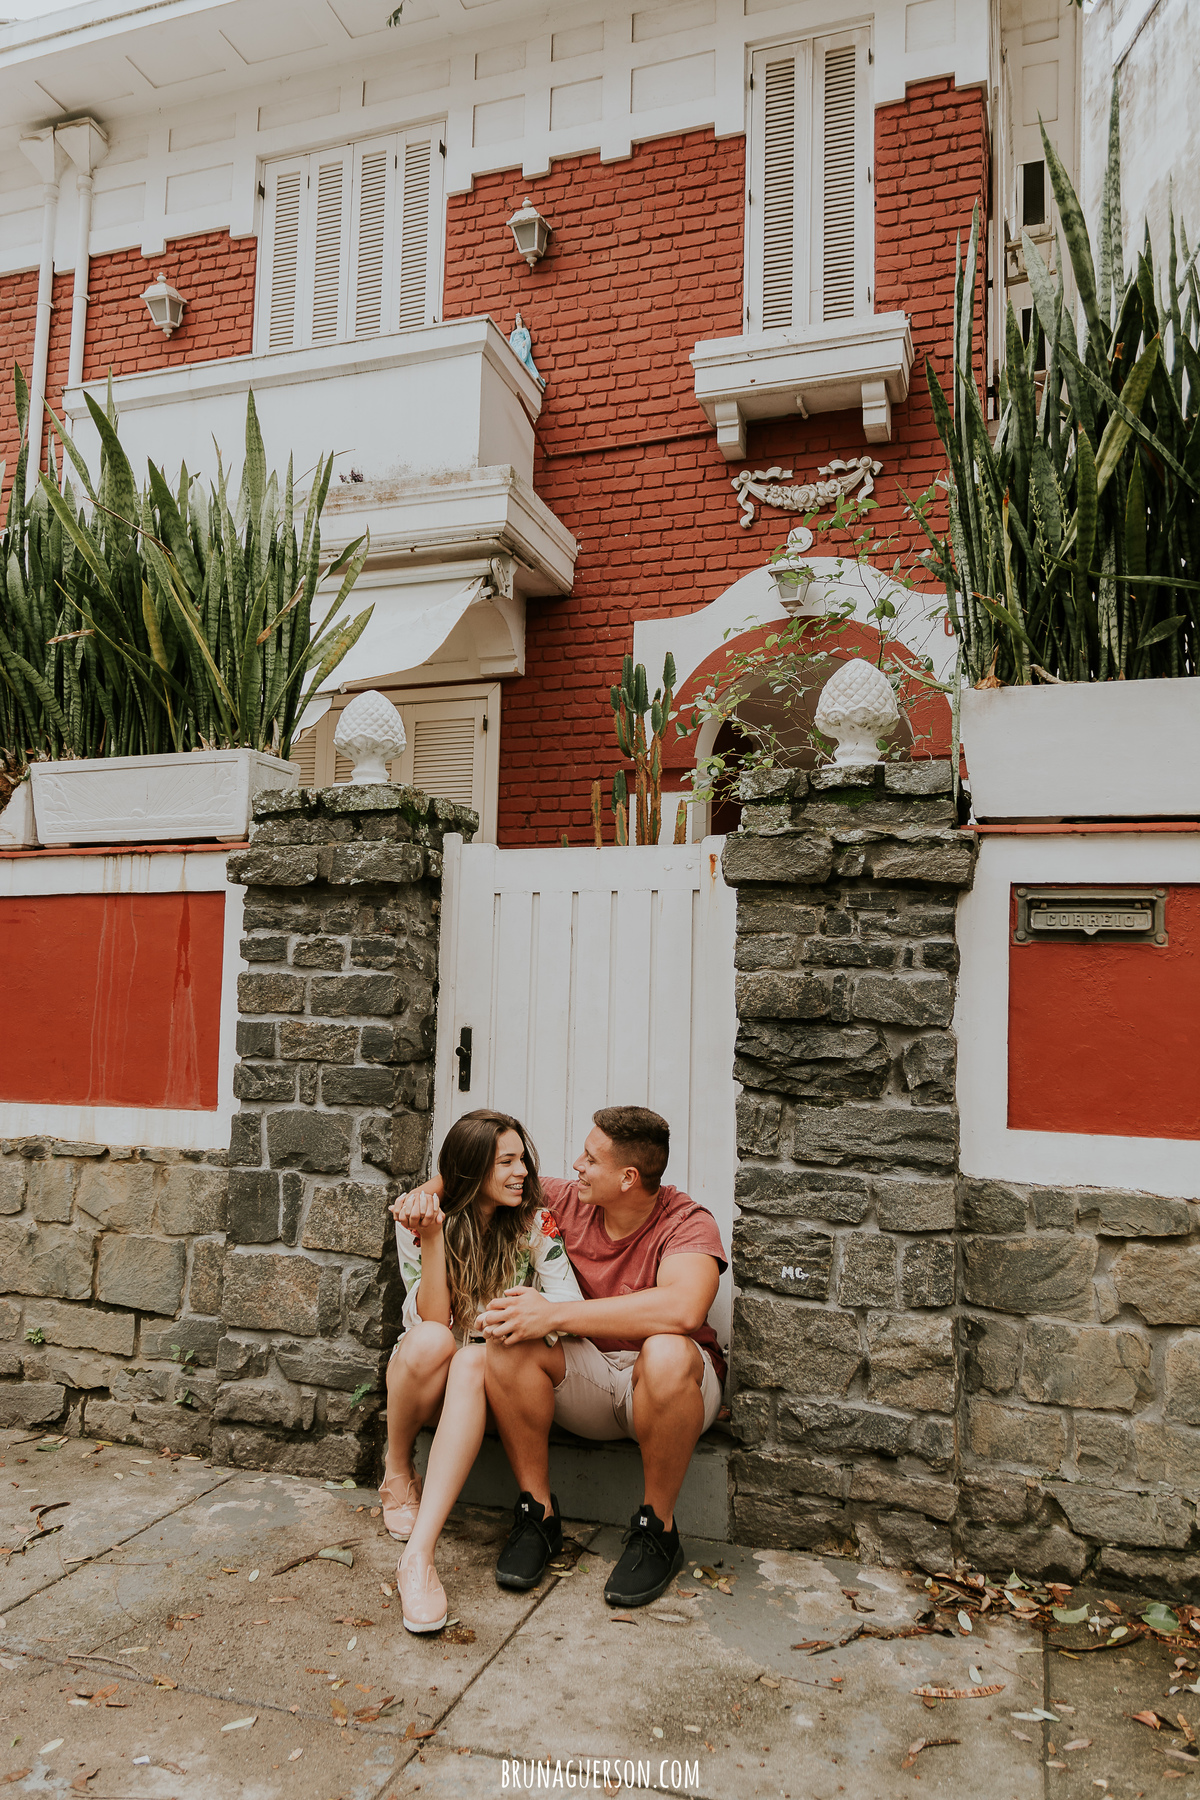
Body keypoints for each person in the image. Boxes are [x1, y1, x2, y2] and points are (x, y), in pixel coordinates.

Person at [401, 1106, 727, 1610]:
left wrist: (556, 1314)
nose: (577, 1164)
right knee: (510, 1333)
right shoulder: (566, 1200)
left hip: (669, 1388)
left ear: (628, 1178)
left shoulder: (687, 1223)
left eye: (591, 1159)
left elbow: (682, 1310)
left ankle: (657, 1529)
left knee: (664, 1349)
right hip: (593, 1376)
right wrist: (425, 1196)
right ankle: (539, 1513)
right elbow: (473, 1167)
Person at [381, 1108, 583, 1635]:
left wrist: (522, 1315)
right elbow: (433, 1320)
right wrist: (430, 1237)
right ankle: (398, 1471)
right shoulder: (422, 1220)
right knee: (432, 1340)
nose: (522, 1173)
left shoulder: (536, 1223)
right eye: (507, 1162)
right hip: (432, 1374)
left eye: (524, 1160)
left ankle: (417, 1558)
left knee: (474, 1355)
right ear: (472, 1172)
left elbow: (568, 1304)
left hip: (493, 1383)